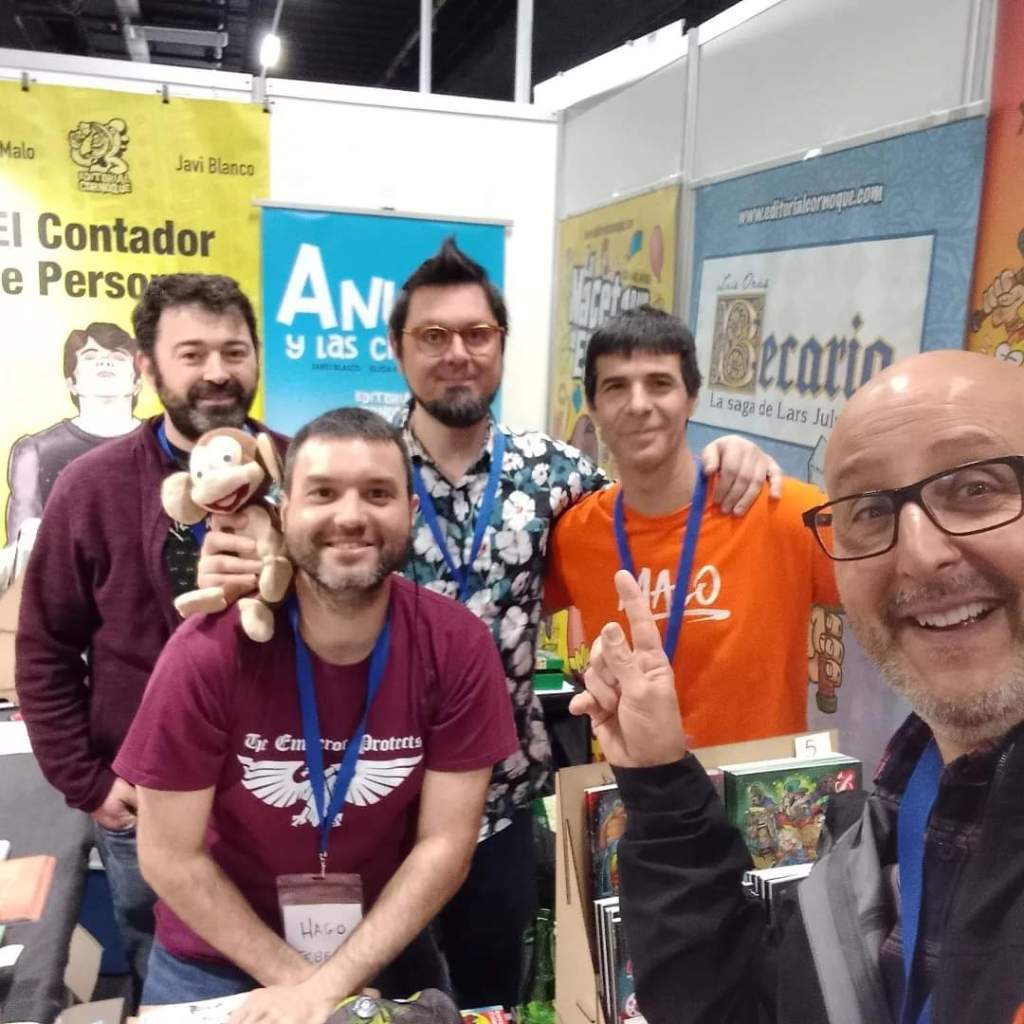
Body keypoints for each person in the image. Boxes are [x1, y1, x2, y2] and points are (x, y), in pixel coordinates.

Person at [198, 239, 779, 1009]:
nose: (457, 354)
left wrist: (728, 455)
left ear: (502, 345)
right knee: (350, 1007)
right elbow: (262, 556)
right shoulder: (354, 473)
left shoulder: (556, 475)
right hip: (366, 810)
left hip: (497, 813)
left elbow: (650, 501)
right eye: (432, 335)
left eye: (477, 334)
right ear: (397, 350)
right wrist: (235, 564)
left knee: (485, 1004)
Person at [571, 349, 1024, 1023]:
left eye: (976, 488)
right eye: (871, 510)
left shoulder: (774, 510)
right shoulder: (890, 826)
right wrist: (660, 781)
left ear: (693, 398)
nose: (920, 555)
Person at [113, 407, 517, 1018]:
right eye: (323, 493)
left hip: (384, 947)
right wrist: (308, 987)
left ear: (410, 512)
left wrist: (332, 987)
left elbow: (445, 844)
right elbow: (169, 855)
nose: (350, 516)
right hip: (215, 958)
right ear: (283, 511)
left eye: (378, 493)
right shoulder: (207, 652)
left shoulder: (456, 645)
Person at [15, 273, 283, 997]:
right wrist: (90, 785)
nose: (217, 372)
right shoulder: (90, 486)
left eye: (234, 351)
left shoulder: (299, 472)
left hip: (285, 795)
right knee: (170, 987)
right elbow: (44, 649)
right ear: (147, 366)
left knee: (298, 983)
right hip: (146, 807)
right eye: (192, 354)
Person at [546, 305, 842, 747]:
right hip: (634, 783)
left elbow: (894, 589)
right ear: (593, 407)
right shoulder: (574, 536)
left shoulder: (782, 512)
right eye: (616, 386)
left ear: (692, 398)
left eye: (660, 383)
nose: (639, 404)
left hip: (759, 790)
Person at [5, 321, 142, 545]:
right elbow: (20, 551)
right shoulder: (35, 452)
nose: (105, 361)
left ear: (137, 382)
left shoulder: (164, 444)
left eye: (118, 356)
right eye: (90, 356)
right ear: (71, 383)